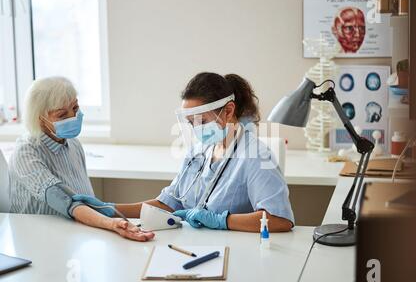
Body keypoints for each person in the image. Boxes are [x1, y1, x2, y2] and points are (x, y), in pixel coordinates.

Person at [79, 72, 295, 232]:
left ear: (228, 111)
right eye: (191, 122)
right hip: (191, 248)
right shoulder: (198, 152)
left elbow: (279, 220)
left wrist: (222, 220)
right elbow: (168, 204)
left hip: (234, 255)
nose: (197, 128)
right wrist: (109, 209)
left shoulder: (256, 156)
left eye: (202, 120)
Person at [8, 77, 154, 242]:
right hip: (40, 238)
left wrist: (144, 212)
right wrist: (112, 223)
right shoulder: (26, 152)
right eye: (62, 115)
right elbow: (66, 202)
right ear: (40, 120)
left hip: (74, 232)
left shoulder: (73, 144)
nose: (73, 117)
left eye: (75, 108)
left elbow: (87, 201)